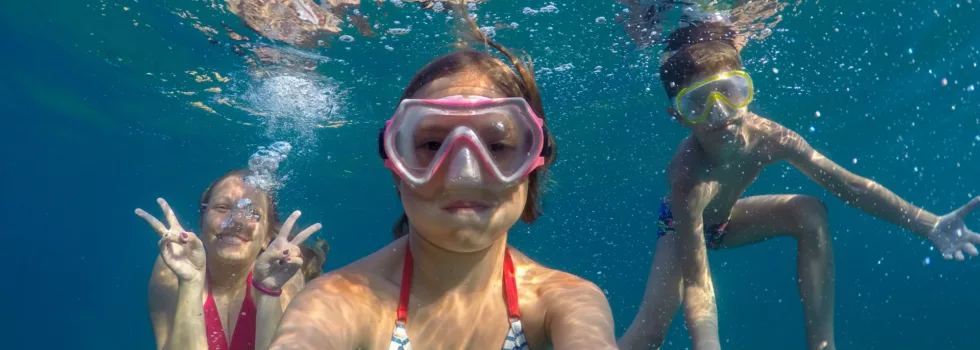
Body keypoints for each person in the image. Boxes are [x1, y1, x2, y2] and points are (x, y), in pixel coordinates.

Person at [617, 21, 980, 350]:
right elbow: (699, 283)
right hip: (680, 226)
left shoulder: (772, 137)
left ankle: (823, 345)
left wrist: (926, 222)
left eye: (730, 91)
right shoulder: (686, 178)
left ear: (748, 92)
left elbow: (849, 185)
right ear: (678, 116)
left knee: (808, 211)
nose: (720, 111)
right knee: (650, 334)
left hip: (725, 221)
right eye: (698, 102)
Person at [267, 10, 618, 350]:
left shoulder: (565, 301)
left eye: (496, 146)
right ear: (396, 165)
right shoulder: (334, 301)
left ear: (534, 161)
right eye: (432, 145)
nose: (464, 172)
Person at [137, 169, 328, 350]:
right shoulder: (173, 268)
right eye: (222, 207)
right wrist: (191, 282)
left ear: (267, 237)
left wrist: (269, 290)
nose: (236, 221)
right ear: (201, 225)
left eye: (253, 214)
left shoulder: (284, 277)